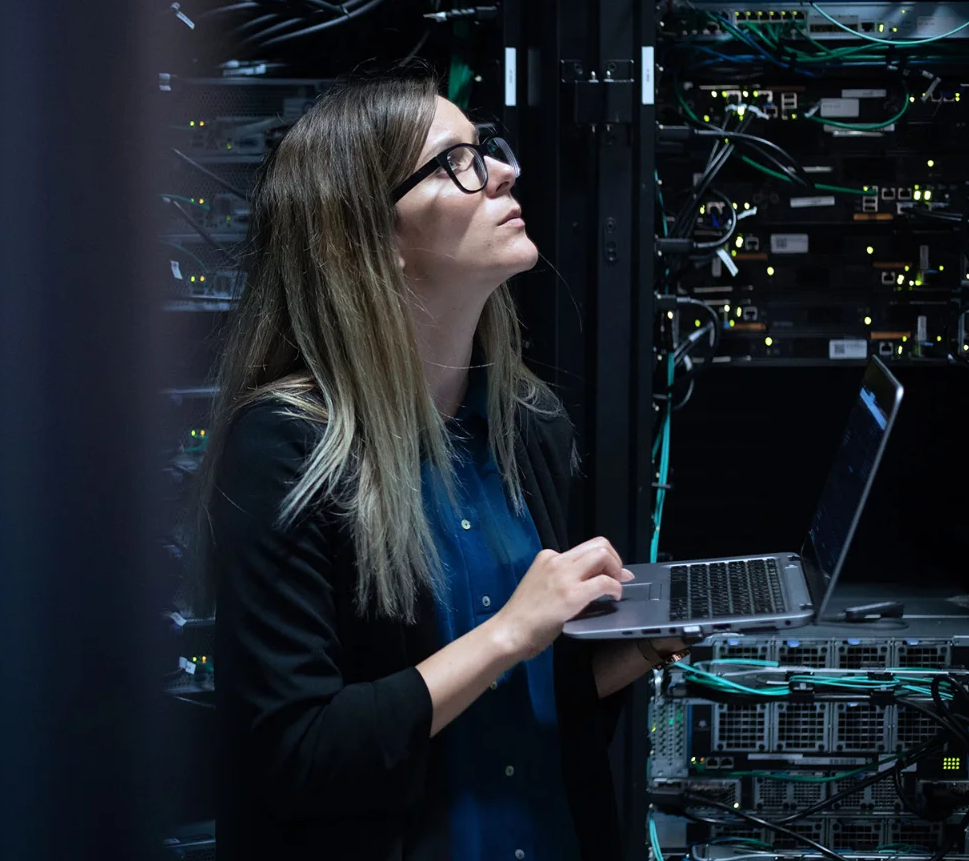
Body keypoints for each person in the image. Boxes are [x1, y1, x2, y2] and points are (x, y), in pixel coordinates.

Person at [193, 66, 687, 861]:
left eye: (485, 147)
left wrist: (639, 647)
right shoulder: (286, 447)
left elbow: (517, 711)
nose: (504, 171)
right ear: (371, 240)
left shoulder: (529, 426)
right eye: (456, 162)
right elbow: (296, 753)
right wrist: (509, 634)